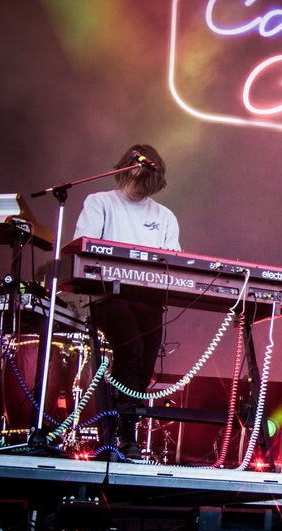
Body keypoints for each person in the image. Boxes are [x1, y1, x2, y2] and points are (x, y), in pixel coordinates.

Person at [73, 143, 179, 460]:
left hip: (148, 297)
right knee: (131, 352)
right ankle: (123, 434)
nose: (140, 186)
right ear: (124, 170)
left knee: (145, 363)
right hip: (110, 295)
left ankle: (125, 426)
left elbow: (173, 260)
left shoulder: (165, 216)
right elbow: (83, 249)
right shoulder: (100, 202)